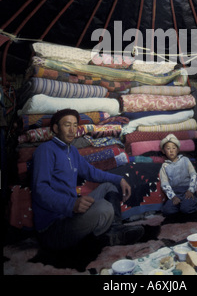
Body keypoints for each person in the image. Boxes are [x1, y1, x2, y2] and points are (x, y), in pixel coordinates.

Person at [31, 108, 144, 251]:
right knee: (104, 208)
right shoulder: (45, 150)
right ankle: (106, 237)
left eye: (74, 125)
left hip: (69, 214)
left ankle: (115, 229)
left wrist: (119, 179)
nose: (72, 130)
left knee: (109, 186)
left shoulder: (71, 151)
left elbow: (92, 172)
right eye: (67, 125)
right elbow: (40, 191)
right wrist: (71, 204)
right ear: (55, 128)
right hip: (53, 227)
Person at [159, 133, 197, 216]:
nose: (171, 150)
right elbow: (164, 183)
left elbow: (193, 175)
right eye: (168, 148)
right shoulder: (164, 166)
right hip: (175, 193)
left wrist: (191, 190)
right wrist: (173, 196)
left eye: (174, 148)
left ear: (177, 150)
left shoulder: (185, 160)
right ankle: (182, 206)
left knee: (186, 208)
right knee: (166, 210)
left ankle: (191, 203)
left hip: (187, 191)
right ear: (163, 151)